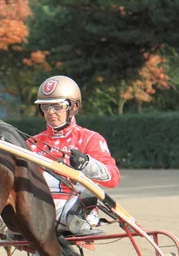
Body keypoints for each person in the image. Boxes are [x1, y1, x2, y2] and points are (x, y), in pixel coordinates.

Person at [28, 75, 120, 235]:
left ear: (74, 107)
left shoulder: (90, 138)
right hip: (37, 206)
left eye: (57, 106)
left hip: (73, 205)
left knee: (86, 197)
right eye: (45, 107)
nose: (50, 112)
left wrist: (87, 164)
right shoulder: (32, 143)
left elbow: (113, 178)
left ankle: (76, 219)